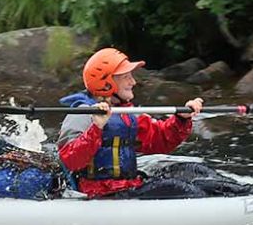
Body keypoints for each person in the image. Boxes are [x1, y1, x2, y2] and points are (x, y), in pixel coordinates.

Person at [57, 47, 204, 198]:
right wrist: (96, 128)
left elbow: (160, 140)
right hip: (101, 192)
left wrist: (181, 119)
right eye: (126, 76)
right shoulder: (82, 113)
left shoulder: (126, 113)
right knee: (181, 189)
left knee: (195, 171)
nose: (133, 82)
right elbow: (70, 161)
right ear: (107, 83)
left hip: (128, 186)